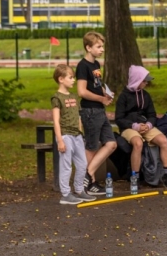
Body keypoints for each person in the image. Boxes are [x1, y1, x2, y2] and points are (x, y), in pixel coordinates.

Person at [115, 65, 167, 187]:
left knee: (163, 140)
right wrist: (134, 126)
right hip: (129, 128)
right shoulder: (123, 97)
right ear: (137, 80)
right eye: (144, 81)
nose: (146, 83)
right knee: (138, 143)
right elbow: (119, 119)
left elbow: (152, 114)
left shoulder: (146, 95)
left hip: (145, 125)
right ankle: (134, 177)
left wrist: (149, 124)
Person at [76, 31, 117, 195]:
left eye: (102, 46)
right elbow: (81, 91)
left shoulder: (96, 65)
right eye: (98, 47)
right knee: (91, 147)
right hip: (90, 111)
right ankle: (87, 182)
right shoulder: (83, 66)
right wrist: (100, 99)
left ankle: (87, 175)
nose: (102, 50)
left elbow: (97, 85)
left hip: (100, 110)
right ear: (88, 47)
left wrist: (105, 94)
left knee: (111, 143)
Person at [51, 64, 96, 205]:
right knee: (66, 166)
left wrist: (80, 132)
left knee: (82, 164)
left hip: (77, 136)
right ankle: (65, 194)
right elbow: (56, 121)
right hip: (65, 136)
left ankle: (79, 190)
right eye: (70, 77)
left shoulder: (74, 97)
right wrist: (60, 140)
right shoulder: (56, 97)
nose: (73, 80)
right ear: (61, 79)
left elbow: (78, 117)